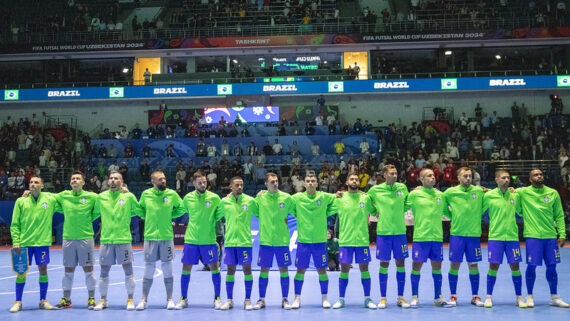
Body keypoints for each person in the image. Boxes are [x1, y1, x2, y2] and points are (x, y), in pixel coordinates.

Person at [517, 169, 568, 308]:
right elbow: (517, 208)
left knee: (552, 267)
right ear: (530, 178)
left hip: (550, 236)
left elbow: (559, 215)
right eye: (535, 175)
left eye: (540, 174)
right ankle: (530, 296)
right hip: (533, 236)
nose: (539, 176)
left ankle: (554, 297)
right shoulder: (522, 192)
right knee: (531, 266)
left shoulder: (553, 193)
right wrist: (525, 214)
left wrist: (562, 234)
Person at [10, 176, 61, 313]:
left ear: (42, 185)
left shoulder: (50, 199)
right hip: (24, 243)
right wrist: (16, 241)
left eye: (36, 182)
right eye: (31, 182)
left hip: (42, 243)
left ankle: (43, 300)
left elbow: (65, 200)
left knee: (43, 271)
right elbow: (15, 224)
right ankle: (18, 301)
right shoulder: (21, 201)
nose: (33, 184)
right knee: (21, 273)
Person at [135, 171, 186, 310]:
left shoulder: (172, 194)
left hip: (166, 237)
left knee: (167, 268)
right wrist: (147, 216)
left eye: (164, 178)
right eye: (160, 179)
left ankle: (170, 299)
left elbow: (182, 208)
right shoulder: (146, 194)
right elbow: (139, 209)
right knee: (149, 269)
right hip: (150, 237)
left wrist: (171, 215)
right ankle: (143, 300)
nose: (163, 181)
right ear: (153, 181)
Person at [92, 171, 141, 311]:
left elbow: (138, 211)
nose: (113, 181)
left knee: (128, 270)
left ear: (122, 181)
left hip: (123, 239)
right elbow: (93, 214)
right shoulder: (101, 197)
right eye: (111, 178)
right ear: (108, 182)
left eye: (116, 178)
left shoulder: (129, 196)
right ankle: (103, 300)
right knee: (104, 271)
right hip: (106, 240)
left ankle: (130, 299)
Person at [405, 169, 452, 308]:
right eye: (428, 176)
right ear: (421, 179)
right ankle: (414, 297)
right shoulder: (413, 195)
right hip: (420, 237)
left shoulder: (440, 195)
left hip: (437, 238)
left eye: (433, 175)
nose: (432, 177)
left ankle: (438, 297)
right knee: (416, 267)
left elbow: (446, 212)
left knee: (437, 268)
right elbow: (401, 206)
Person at [176, 171, 223, 309]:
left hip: (208, 240)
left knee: (214, 268)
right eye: (200, 182)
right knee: (186, 269)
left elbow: (220, 214)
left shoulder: (215, 198)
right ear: (194, 183)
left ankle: (217, 298)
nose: (203, 185)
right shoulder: (187, 198)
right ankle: (183, 298)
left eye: (204, 182)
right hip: (191, 240)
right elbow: (179, 212)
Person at [331, 174, 377, 309]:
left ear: (359, 182)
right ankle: (341, 299)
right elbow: (326, 210)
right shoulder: (339, 198)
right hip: (345, 241)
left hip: (362, 240)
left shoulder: (365, 198)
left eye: (356, 179)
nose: (354, 181)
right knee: (344, 268)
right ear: (346, 182)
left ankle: (367, 299)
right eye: (351, 179)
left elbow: (375, 212)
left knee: (364, 268)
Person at [290, 172, 336, 309]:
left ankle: (325, 298)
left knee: (322, 270)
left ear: (317, 184)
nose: (310, 183)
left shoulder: (324, 196)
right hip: (304, 242)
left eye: (313, 181)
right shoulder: (297, 198)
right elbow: (282, 199)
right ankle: (297, 298)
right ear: (304, 184)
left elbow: (339, 197)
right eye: (308, 181)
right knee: (300, 271)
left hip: (319, 242)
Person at [366, 165, 410, 308]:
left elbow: (407, 203)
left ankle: (400, 297)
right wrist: (375, 211)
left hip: (400, 233)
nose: (395, 175)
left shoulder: (402, 188)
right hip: (384, 233)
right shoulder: (375, 190)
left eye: (396, 173)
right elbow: (366, 202)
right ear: (385, 175)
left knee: (401, 264)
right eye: (392, 173)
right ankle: (383, 298)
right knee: (384, 264)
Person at [481, 170, 526, 308]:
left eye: (508, 178)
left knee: (515, 266)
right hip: (496, 237)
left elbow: (521, 211)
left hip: (512, 237)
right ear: (496, 179)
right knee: (493, 266)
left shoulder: (515, 195)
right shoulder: (488, 196)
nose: (506, 180)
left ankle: (519, 297)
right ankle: (488, 296)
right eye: (503, 178)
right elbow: (478, 210)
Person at [53, 172, 98, 309]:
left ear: (83, 182)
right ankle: (66, 299)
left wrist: (123, 191)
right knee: (68, 269)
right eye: (73, 178)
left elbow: (106, 201)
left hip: (86, 237)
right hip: (68, 238)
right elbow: (46, 197)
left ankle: (91, 298)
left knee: (88, 269)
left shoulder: (92, 196)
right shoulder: (63, 195)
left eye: (78, 178)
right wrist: (29, 193)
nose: (75, 180)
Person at [442, 167, 485, 307]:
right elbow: (443, 208)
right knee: (454, 265)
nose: (468, 178)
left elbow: (488, 201)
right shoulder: (450, 192)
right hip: (457, 235)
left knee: (473, 265)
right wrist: (453, 217)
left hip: (473, 235)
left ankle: (475, 296)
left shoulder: (479, 191)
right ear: (458, 178)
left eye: (470, 176)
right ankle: (453, 296)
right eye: (465, 176)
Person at [253, 172, 296, 310]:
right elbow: (254, 212)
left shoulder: (287, 198)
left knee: (284, 270)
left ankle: (285, 299)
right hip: (266, 242)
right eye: (272, 182)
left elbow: (297, 210)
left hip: (282, 242)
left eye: (276, 181)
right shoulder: (259, 199)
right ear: (266, 184)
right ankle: (261, 299)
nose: (275, 183)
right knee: (264, 270)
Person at [215, 177, 258, 310]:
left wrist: (262, 196)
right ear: (231, 187)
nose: (239, 187)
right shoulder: (224, 202)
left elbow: (261, 211)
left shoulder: (250, 201)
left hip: (245, 242)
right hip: (230, 242)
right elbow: (215, 216)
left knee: (247, 270)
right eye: (237, 185)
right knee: (230, 271)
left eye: (241, 185)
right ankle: (229, 300)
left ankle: (247, 300)